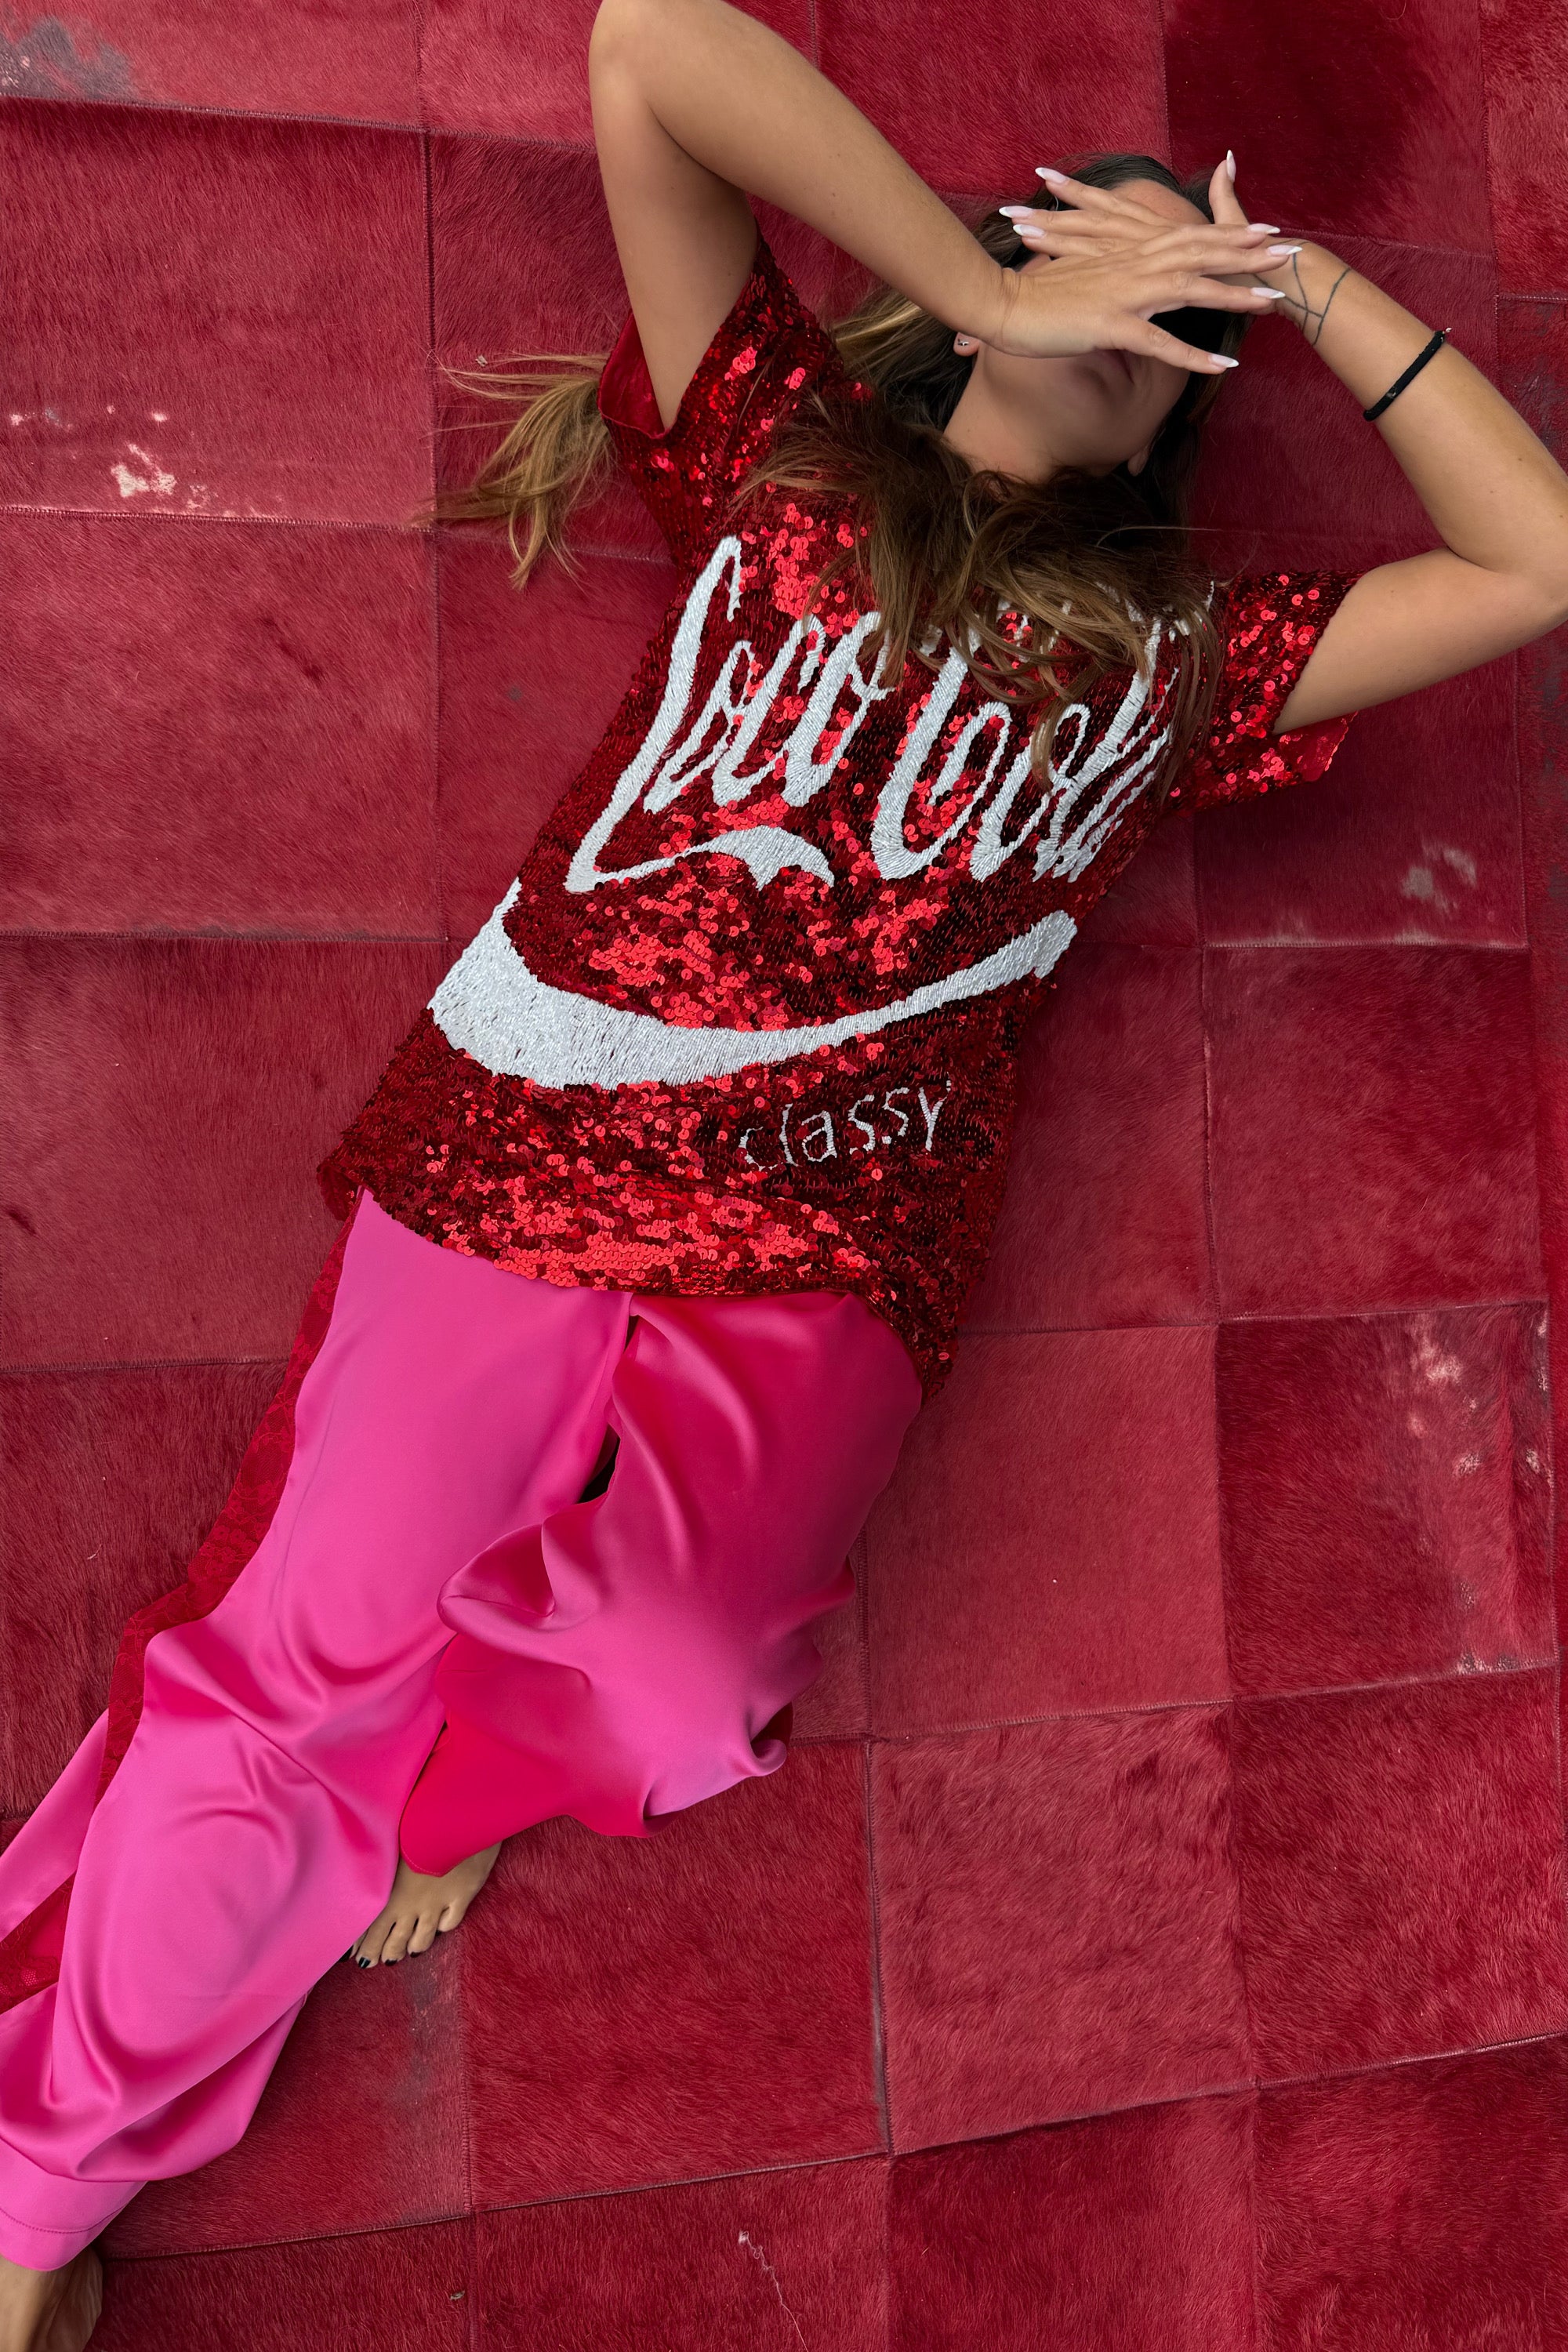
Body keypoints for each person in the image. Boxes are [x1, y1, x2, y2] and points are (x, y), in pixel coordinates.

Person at [7, 0, 1568, 2340]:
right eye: (1095, 260)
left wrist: (1297, 282)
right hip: (523, 1139)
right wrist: (997, 279)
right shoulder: (787, 452)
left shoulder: (1182, 656)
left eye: (1178, 331)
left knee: (678, 1692)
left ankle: (463, 1780)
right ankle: (38, 2197)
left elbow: (1537, 557)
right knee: (282, 1681)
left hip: (832, 1244)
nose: (1133, 316)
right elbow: (652, 47)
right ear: (986, 277)